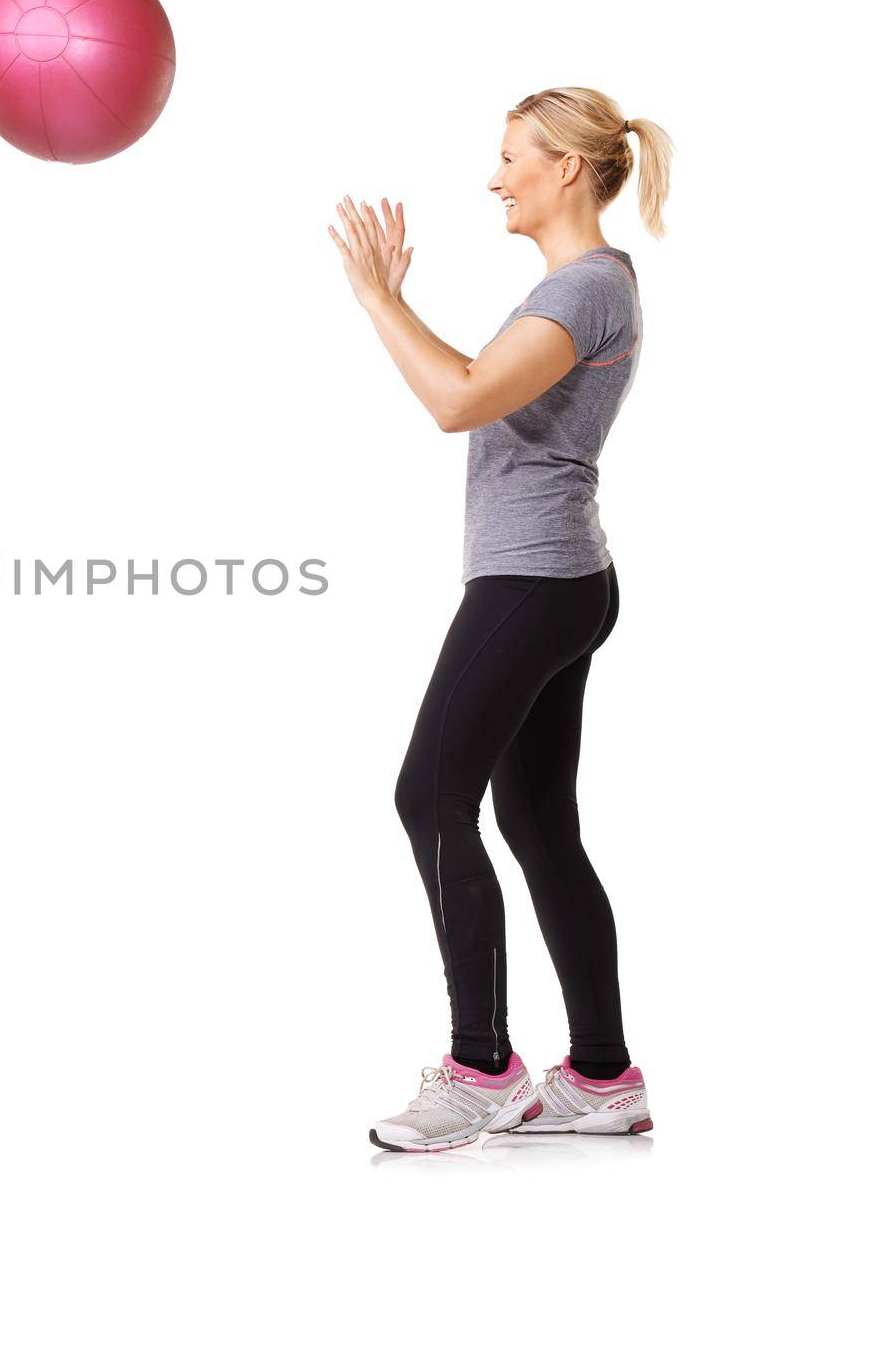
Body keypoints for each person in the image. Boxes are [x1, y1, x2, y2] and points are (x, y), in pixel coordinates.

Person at [327, 88, 673, 1153]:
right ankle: (603, 1077)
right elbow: (476, 385)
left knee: (429, 794)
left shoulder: (584, 289)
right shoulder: (577, 289)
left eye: (512, 156)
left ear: (566, 167)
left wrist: (378, 297)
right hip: (554, 578)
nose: (495, 177)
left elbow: (458, 397)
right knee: (533, 823)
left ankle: (481, 1068)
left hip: (534, 582)